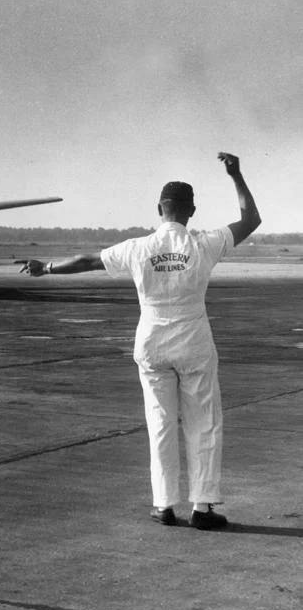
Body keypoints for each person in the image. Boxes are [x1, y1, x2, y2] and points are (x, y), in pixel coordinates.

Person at [17, 152, 261, 529]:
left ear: (158, 209)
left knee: (160, 423)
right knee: (203, 423)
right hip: (194, 341)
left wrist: (46, 268)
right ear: (191, 211)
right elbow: (251, 220)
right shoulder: (205, 243)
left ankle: (163, 505)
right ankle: (202, 508)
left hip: (152, 343)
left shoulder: (137, 248)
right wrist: (236, 175)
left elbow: (87, 261)